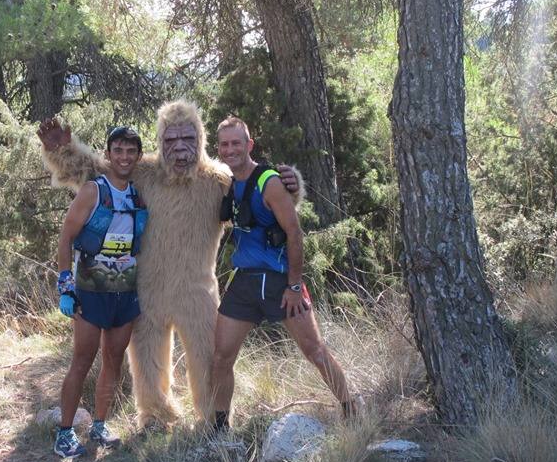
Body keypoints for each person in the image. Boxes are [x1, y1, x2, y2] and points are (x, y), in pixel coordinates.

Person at [39, 102, 302, 429]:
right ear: (160, 142)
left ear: (201, 139)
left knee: (208, 357)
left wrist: (291, 185)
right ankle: (154, 415)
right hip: (147, 288)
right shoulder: (143, 173)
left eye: (188, 139)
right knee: (146, 359)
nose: (179, 147)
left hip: (197, 290)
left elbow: (262, 198)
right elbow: (95, 173)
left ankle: (211, 419)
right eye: (170, 140)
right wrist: (62, 150)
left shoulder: (220, 180)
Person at [211, 116, 358, 432]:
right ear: (219, 149)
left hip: (280, 282)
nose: (230, 149)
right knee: (221, 357)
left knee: (315, 351)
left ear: (249, 145)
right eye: (224, 144)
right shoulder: (227, 183)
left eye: (237, 143)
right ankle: (219, 428)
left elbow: (295, 233)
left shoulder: (269, 182)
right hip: (245, 282)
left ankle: (352, 410)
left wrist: (294, 285)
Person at [53, 126, 148, 458]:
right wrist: (66, 287)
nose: (124, 157)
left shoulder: (139, 194)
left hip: (126, 289)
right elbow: (66, 238)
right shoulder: (94, 190)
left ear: (137, 156)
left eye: (130, 151)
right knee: (82, 361)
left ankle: (99, 425)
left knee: (113, 359)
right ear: (108, 155)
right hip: (91, 289)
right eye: (118, 150)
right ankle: (64, 433)